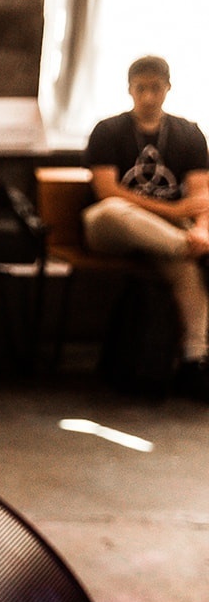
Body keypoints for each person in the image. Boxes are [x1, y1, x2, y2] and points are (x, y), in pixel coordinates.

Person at [81, 55, 209, 399]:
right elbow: (106, 191)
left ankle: (194, 360)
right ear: (129, 90)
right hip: (111, 229)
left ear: (168, 88)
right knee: (115, 211)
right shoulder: (108, 130)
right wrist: (175, 213)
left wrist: (202, 230)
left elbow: (202, 196)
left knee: (185, 267)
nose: (149, 96)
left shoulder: (189, 133)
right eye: (141, 88)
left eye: (156, 88)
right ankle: (192, 247)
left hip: (164, 235)